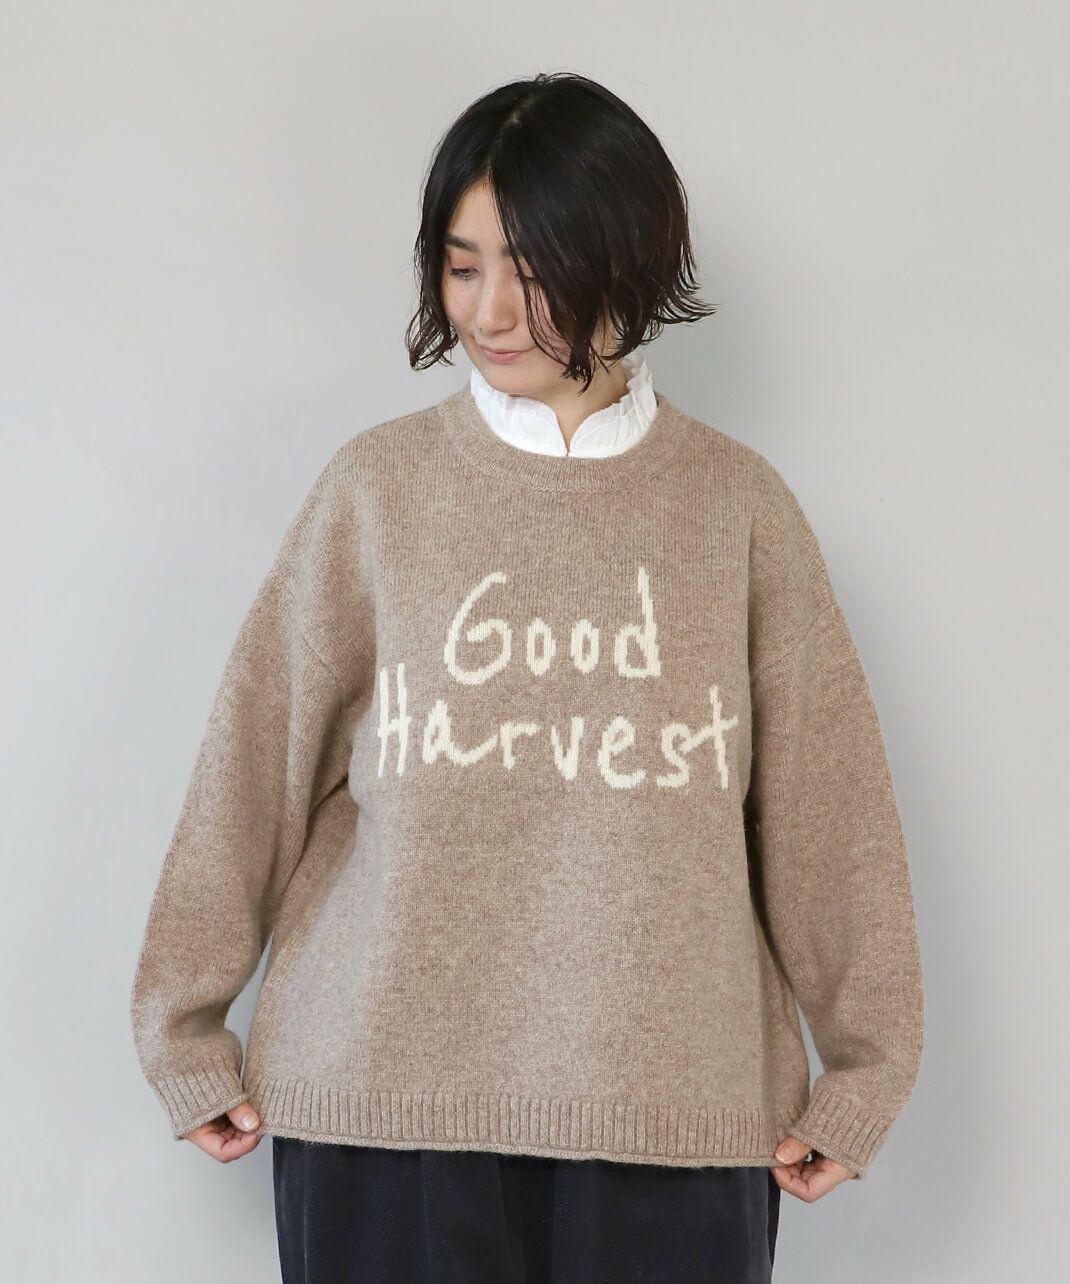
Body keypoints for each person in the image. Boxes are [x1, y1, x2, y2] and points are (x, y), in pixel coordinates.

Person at [130, 72, 925, 1283]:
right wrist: (183, 1033)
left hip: (670, 1115)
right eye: (461, 269)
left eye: (534, 270)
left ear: (627, 260)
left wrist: (863, 1070)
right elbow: (253, 761)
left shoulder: (735, 510)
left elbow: (829, 808)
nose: (490, 310)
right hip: (384, 1112)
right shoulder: (376, 493)